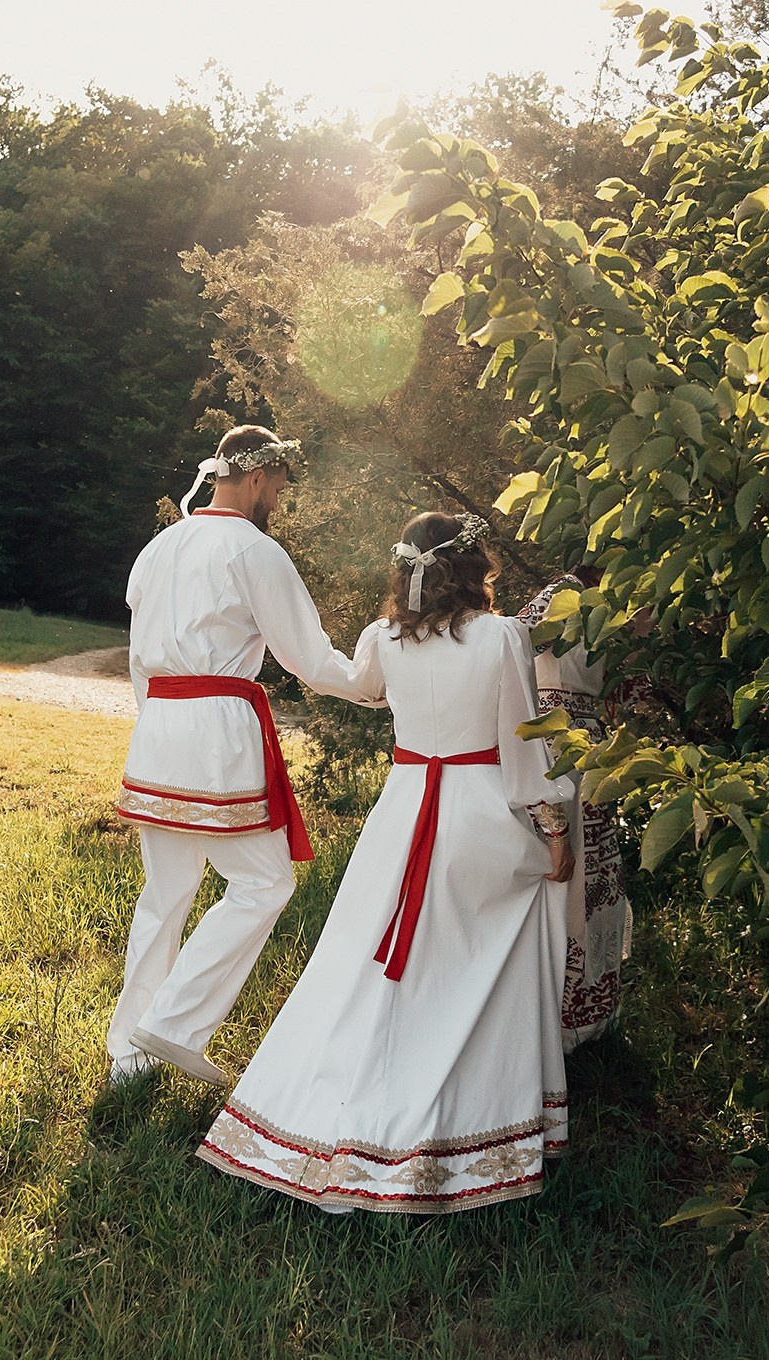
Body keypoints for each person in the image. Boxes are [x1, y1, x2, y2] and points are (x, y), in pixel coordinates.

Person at [196, 511, 576, 1214]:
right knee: (514, 919)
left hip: (403, 813)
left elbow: (355, 683)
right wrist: (553, 824)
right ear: (473, 568)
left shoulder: (385, 638)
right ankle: (484, 1117)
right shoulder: (499, 636)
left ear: (408, 570)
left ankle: (342, 1102)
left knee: (367, 960)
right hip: (477, 810)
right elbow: (524, 747)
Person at [106, 425, 382, 1087]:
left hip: (159, 725)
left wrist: (160, 728)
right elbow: (311, 660)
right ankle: (168, 1025)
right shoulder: (255, 552)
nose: (278, 503)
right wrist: (383, 684)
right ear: (257, 479)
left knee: (165, 891)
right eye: (279, 490)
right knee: (264, 884)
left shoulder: (159, 548)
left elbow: (142, 657)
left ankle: (129, 1055)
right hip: (215, 730)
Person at [517, 566, 639, 1052]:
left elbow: (630, 693)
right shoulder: (565, 593)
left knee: (592, 878)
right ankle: (555, 1019)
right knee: (566, 874)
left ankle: (582, 1018)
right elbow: (516, 644)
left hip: (587, 751)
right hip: (555, 742)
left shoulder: (622, 611)